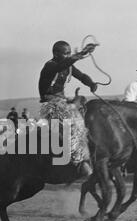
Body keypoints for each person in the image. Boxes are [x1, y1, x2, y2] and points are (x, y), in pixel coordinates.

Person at [38, 40, 98, 177]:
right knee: (74, 123)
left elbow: (81, 76)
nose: (68, 56)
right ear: (55, 53)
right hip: (50, 104)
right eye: (66, 53)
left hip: (62, 101)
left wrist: (91, 83)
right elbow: (63, 65)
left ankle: (89, 156)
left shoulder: (68, 66)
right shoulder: (50, 66)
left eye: (69, 53)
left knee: (84, 114)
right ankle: (78, 163)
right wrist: (81, 53)